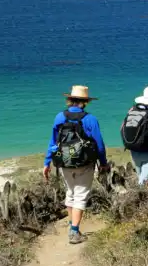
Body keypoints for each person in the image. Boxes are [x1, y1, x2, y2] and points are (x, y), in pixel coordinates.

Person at [43, 85, 108, 244]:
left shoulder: (59, 117)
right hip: (84, 163)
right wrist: (103, 163)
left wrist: (47, 162)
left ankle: (73, 226)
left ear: (70, 100)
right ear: (85, 101)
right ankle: (74, 232)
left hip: (64, 161)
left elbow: (53, 141)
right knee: (80, 195)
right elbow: (99, 144)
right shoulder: (90, 119)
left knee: (70, 193)